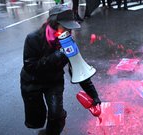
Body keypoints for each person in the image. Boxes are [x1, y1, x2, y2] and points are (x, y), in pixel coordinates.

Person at [20, 4, 101, 135]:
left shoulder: (67, 42)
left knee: (57, 116)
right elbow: (30, 66)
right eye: (65, 27)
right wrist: (58, 55)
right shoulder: (33, 38)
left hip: (53, 81)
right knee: (36, 118)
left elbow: (78, 69)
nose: (68, 32)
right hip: (32, 82)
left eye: (70, 28)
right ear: (54, 23)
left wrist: (94, 95)